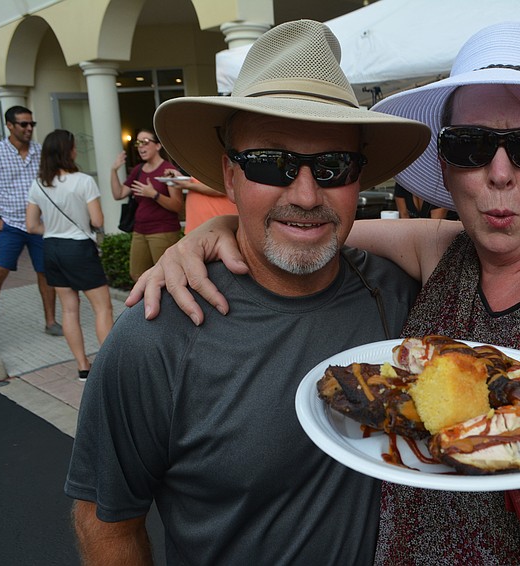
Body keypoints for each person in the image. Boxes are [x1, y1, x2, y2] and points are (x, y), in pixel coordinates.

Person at [131, 23, 520, 564]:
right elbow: (314, 223)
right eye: (471, 146)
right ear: (446, 166)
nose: (499, 172)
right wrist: (223, 226)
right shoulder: (444, 250)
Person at [64, 20, 430, 565]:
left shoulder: (402, 296)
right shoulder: (157, 333)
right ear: (229, 177)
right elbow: (108, 522)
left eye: (333, 166)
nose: (306, 194)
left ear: (359, 181)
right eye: (270, 163)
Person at [25, 129, 113, 381]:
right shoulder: (83, 181)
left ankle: (83, 366)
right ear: (68, 151)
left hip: (52, 248)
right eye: (73, 146)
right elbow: (97, 220)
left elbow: (31, 226)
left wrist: (53, 229)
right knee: (102, 308)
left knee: (69, 310)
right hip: (79, 249)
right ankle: (107, 367)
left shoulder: (38, 184)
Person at [0, 106, 61, 349]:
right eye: (23, 124)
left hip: (39, 225)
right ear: (10, 126)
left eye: (31, 124)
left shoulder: (39, 152)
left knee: (46, 273)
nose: (29, 129)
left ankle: (51, 322)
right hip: (10, 225)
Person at [110, 128, 183, 281]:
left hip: (163, 230)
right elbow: (119, 194)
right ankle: (149, 304)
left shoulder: (168, 171)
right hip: (139, 230)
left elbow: (177, 205)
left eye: (145, 142)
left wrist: (154, 194)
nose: (140, 147)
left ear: (157, 146)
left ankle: (166, 305)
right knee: (137, 275)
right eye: (138, 143)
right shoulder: (138, 170)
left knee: (166, 275)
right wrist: (113, 170)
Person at [162, 168, 237, 233]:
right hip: (198, 227)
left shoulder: (217, 160)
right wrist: (180, 178)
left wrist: (187, 185)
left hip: (217, 228)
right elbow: (199, 184)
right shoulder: (200, 165)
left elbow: (221, 188)